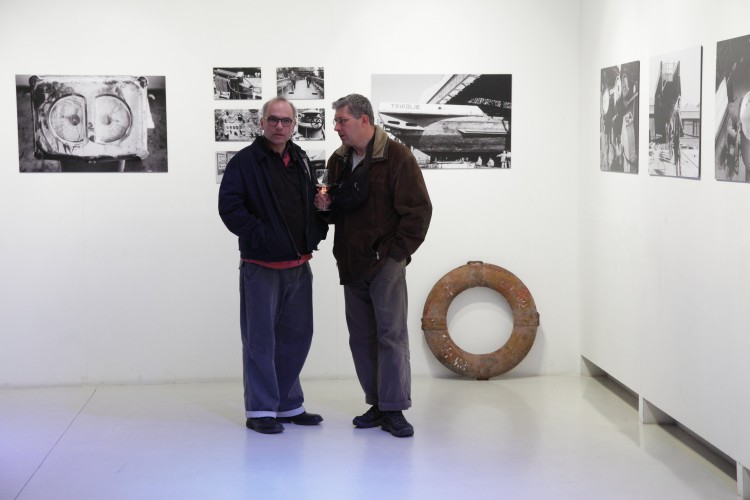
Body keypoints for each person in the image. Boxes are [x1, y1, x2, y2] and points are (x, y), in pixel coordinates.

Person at [315, 94, 432, 438]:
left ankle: (394, 409)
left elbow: (418, 211)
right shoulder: (339, 160)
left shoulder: (397, 156)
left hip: (385, 264)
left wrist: (395, 255)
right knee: (362, 338)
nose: (336, 127)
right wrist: (324, 207)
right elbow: (338, 211)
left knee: (391, 336)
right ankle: (378, 403)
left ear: (364, 120)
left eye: (342, 120)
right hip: (351, 261)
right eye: (336, 121)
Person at [218, 97, 328, 434]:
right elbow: (230, 207)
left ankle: (288, 405)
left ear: (294, 125)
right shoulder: (245, 162)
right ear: (262, 122)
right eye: (273, 120)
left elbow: (307, 203)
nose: (280, 126)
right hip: (261, 266)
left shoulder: (301, 158)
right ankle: (261, 409)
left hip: (298, 265)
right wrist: (263, 236)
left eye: (286, 121)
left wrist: (320, 211)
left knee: (296, 338)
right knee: (260, 341)